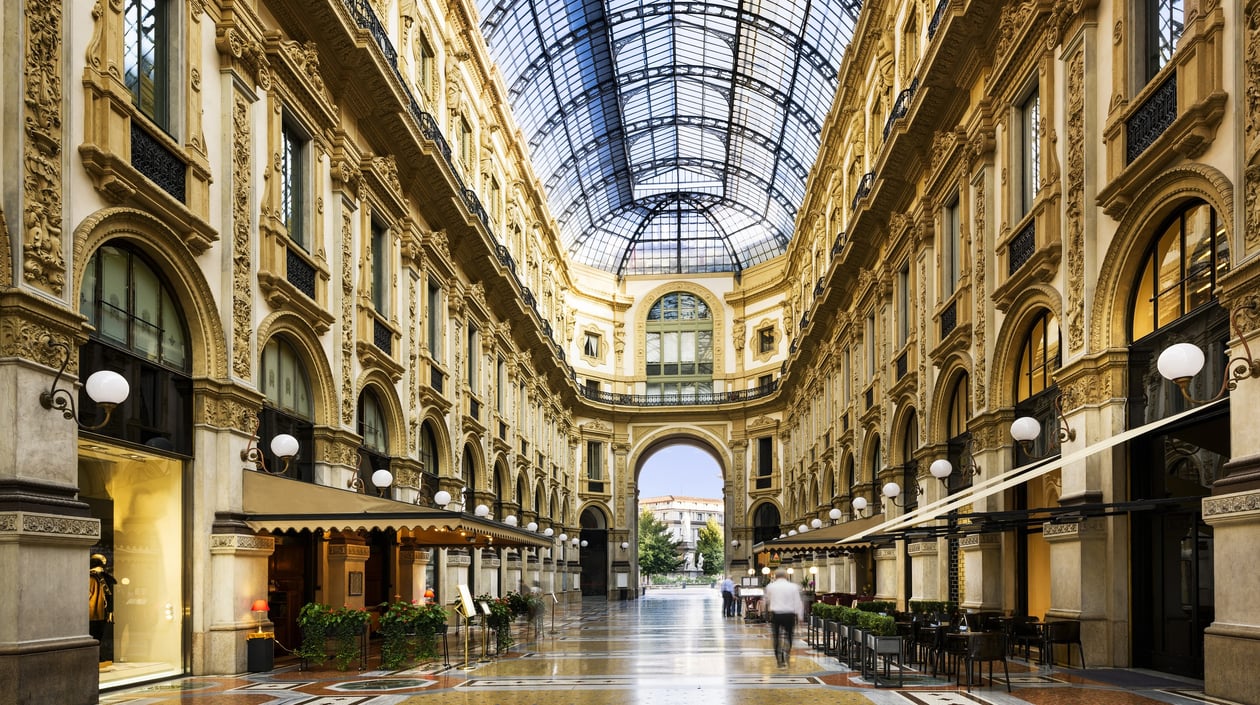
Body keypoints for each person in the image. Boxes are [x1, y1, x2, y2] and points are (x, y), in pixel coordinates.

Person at [763, 567, 804, 667]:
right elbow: (798, 602)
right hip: (789, 615)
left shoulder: (770, 587)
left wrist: (766, 613)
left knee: (776, 637)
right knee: (789, 635)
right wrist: (800, 617)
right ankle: (787, 651)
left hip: (776, 615)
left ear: (775, 576)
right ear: (786, 576)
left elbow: (766, 600)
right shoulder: (793, 587)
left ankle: (779, 660)